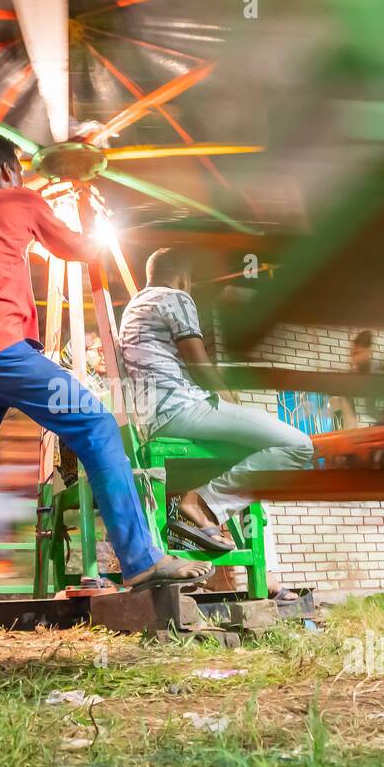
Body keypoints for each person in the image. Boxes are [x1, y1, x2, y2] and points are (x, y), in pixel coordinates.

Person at [0, 134, 210, 643]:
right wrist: (92, 218)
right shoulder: (20, 201)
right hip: (6, 357)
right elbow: (76, 249)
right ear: (10, 169)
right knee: (95, 423)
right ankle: (140, 558)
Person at [117, 247, 314, 598]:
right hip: (184, 409)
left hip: (155, 418)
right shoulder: (175, 296)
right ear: (183, 275)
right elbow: (199, 363)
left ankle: (258, 575)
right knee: (298, 444)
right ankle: (202, 503)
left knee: (253, 467)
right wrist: (227, 398)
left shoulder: (134, 308)